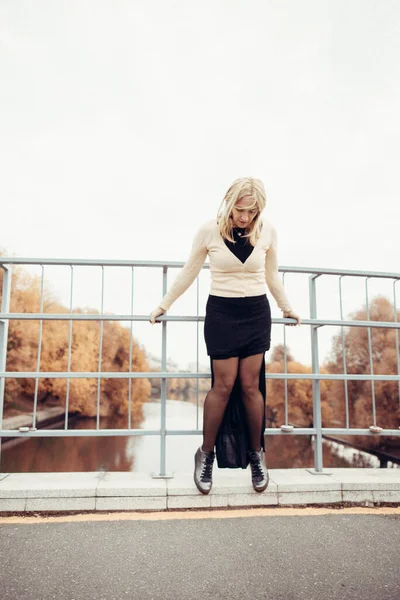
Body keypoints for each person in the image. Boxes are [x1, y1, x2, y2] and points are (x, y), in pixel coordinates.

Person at [150, 177, 300, 495]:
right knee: (224, 385)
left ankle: (257, 456)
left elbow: (272, 274)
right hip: (222, 314)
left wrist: (286, 307)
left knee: (249, 386)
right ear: (229, 204)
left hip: (256, 313)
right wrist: (163, 305)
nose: (245, 217)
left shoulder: (268, 231)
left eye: (252, 212)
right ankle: (205, 455)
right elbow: (189, 271)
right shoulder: (208, 230)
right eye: (241, 210)